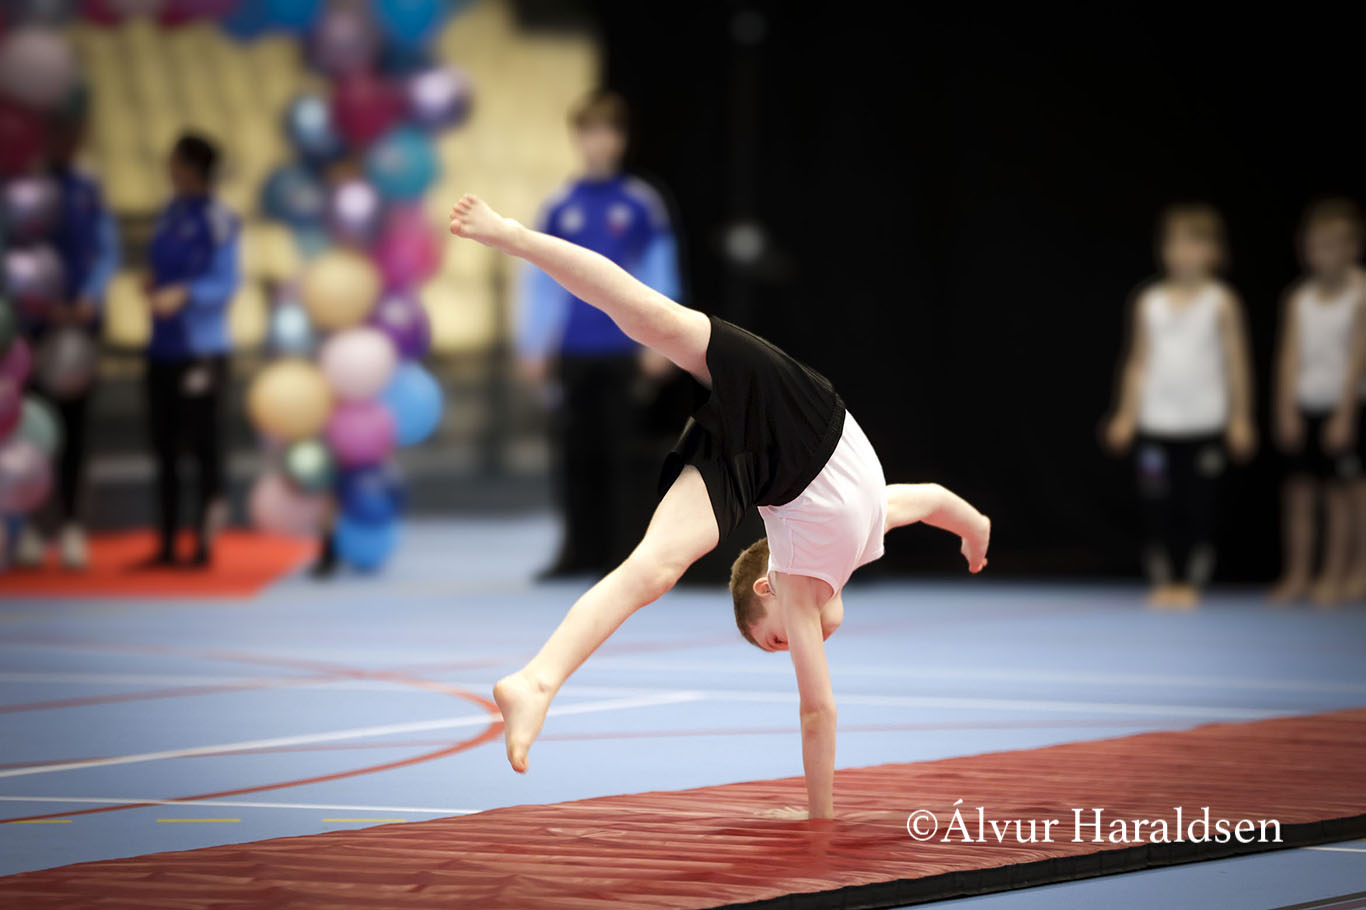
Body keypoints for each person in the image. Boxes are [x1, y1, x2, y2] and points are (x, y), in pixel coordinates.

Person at [449, 193, 991, 820]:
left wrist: (973, 527)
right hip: (783, 438)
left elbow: (819, 707)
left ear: (765, 585)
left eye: (777, 641)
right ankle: (535, 682)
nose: (794, 645)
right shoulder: (851, 544)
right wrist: (973, 527)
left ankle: (534, 681)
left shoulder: (807, 575)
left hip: (774, 438)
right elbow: (931, 504)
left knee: (655, 559)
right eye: (780, 644)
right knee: (652, 328)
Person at [516, 90, 682, 577]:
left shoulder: (641, 204)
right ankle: (576, 553)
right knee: (573, 454)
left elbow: (660, 274)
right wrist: (533, 343)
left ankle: (621, 556)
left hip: (622, 349)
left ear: (622, 140)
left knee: (621, 455)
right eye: (589, 132)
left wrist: (660, 340)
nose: (599, 142)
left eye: (608, 132)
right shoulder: (559, 206)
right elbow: (540, 280)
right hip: (573, 350)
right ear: (577, 139)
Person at [1105, 204, 1256, 608]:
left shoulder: (1222, 301)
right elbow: (1136, 361)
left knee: (1198, 505)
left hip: (1203, 425)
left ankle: (1190, 580)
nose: (1183, 253)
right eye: (1173, 243)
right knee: (1157, 504)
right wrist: (1126, 414)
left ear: (1215, 251)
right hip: (1156, 426)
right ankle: (1164, 578)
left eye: (1194, 243)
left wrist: (1241, 418)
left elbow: (1237, 363)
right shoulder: (1148, 301)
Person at [12, 103, 120, 570]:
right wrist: (37, 305)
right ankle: (33, 528)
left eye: (74, 131)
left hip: (78, 331)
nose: (67, 139)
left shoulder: (88, 189)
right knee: (32, 431)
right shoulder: (22, 191)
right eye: (58, 131)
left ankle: (74, 527)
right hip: (32, 331)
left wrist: (87, 298)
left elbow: (108, 251)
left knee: (76, 433)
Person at [140, 132, 240, 568]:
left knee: (203, 445)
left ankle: (203, 542)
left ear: (195, 168)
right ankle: (165, 543)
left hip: (203, 348)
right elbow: (158, 264)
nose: (170, 169)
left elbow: (227, 282)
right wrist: (153, 283)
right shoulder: (168, 212)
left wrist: (186, 293)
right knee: (163, 446)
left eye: (176, 161)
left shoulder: (220, 218)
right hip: (162, 345)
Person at [1269, 200, 1365, 606]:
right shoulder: (1299, 299)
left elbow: (1359, 359)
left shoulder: (1361, 293)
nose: (1324, 255)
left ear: (1353, 248)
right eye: (1317, 246)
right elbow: (1289, 356)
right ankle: (1298, 572)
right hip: (1306, 403)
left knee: (1345, 495)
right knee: (1300, 492)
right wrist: (1285, 408)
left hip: (1348, 405)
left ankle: (1344, 571)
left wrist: (1344, 413)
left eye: (1334, 245)